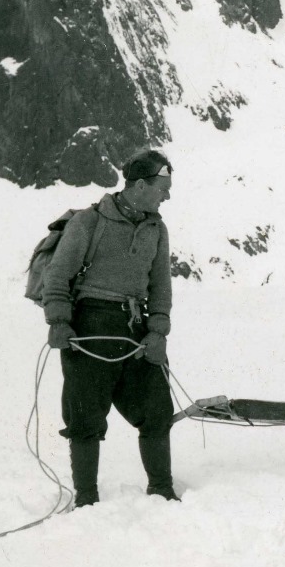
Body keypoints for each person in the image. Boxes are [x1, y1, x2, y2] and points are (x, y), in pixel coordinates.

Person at [42, 149, 179, 507]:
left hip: (135, 329)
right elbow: (58, 275)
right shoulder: (90, 221)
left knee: (156, 409)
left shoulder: (157, 229)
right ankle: (86, 499)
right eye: (162, 188)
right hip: (90, 326)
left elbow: (160, 287)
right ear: (137, 185)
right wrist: (58, 321)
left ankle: (162, 491)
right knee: (85, 415)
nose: (167, 195)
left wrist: (158, 331)